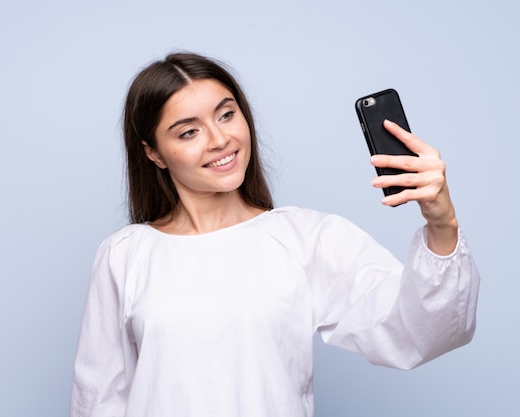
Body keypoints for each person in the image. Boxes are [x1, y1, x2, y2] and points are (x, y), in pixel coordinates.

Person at [70, 52, 480, 417]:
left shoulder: (305, 238)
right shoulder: (125, 255)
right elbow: (98, 400)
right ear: (153, 152)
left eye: (226, 114)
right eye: (188, 131)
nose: (220, 140)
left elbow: (418, 332)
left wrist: (442, 223)